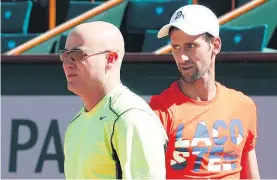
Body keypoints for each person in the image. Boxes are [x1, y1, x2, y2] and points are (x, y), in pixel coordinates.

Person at [149, 5, 260, 179]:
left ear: (215, 45)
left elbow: (250, 174)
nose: (182, 58)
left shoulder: (244, 106)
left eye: (190, 46)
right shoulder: (158, 111)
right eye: (176, 47)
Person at [60, 21, 168, 179]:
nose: (67, 64)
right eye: (65, 55)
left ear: (110, 59)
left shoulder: (131, 117)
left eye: (77, 55)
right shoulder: (76, 123)